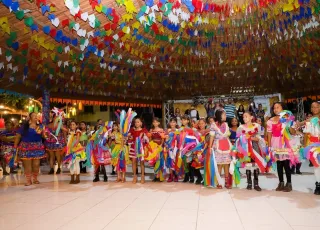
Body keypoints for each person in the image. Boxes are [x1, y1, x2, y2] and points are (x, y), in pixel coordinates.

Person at [267, 102, 299, 192]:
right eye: (274, 108)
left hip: (285, 143)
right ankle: (281, 182)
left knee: (286, 163)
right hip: (275, 144)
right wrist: (269, 147)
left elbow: (293, 132)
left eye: (278, 107)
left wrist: (289, 123)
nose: (276, 109)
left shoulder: (288, 118)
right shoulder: (270, 121)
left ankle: (289, 183)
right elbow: (269, 134)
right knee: (279, 164)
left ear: (283, 108)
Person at [236, 112, 267, 191]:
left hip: (255, 147)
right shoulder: (241, 127)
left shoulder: (256, 126)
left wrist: (250, 138)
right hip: (246, 149)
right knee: (248, 165)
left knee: (256, 164)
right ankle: (249, 183)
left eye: (246, 116)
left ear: (251, 117)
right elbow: (239, 139)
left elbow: (259, 138)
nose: (244, 118)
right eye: (243, 117)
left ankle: (256, 183)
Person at [14, 112, 46, 186]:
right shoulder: (24, 126)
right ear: (30, 117)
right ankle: (28, 180)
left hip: (37, 147)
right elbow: (18, 136)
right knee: (27, 165)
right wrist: (15, 146)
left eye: (36, 116)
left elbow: (44, 137)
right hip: (26, 147)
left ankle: (35, 178)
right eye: (33, 116)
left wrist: (45, 134)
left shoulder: (40, 126)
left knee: (36, 164)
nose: (35, 117)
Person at [209, 109, 232, 189]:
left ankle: (226, 182)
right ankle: (219, 182)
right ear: (219, 115)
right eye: (224, 115)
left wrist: (231, 146)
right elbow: (211, 137)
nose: (225, 116)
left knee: (226, 164)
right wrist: (210, 147)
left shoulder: (226, 124)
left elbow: (228, 136)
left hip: (226, 146)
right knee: (219, 164)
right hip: (217, 146)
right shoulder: (213, 125)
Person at [302, 102, 320, 195]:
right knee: (317, 166)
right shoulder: (309, 121)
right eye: (313, 107)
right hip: (314, 145)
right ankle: (318, 185)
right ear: (311, 109)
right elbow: (306, 134)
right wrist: (305, 146)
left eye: (317, 106)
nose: (315, 108)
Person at [45, 109, 67, 175]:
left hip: (51, 141)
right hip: (57, 141)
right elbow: (65, 131)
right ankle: (57, 168)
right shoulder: (59, 125)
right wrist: (65, 140)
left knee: (54, 156)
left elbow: (46, 133)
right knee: (56, 156)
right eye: (57, 117)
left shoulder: (49, 125)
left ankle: (53, 168)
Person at [128, 118, 148, 184]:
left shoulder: (144, 130)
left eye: (138, 122)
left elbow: (147, 140)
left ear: (141, 123)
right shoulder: (132, 130)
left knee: (141, 163)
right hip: (134, 148)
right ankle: (135, 176)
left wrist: (143, 136)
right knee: (134, 162)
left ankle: (142, 176)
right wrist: (127, 136)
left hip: (141, 148)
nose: (136, 123)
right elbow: (129, 137)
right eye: (135, 122)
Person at [145, 118, 165, 182]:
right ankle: (156, 176)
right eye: (154, 122)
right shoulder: (151, 130)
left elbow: (163, 139)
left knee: (159, 161)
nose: (155, 123)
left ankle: (160, 177)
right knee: (154, 162)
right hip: (153, 148)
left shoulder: (161, 130)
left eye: (156, 122)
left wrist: (160, 146)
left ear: (159, 123)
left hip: (159, 147)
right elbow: (150, 139)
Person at [165, 118, 179, 182]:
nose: (172, 123)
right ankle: (171, 175)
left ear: (176, 123)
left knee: (175, 162)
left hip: (176, 149)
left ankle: (176, 175)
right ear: (169, 123)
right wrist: (166, 145)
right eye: (171, 122)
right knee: (170, 162)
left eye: (174, 122)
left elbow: (180, 140)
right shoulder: (167, 131)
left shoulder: (178, 130)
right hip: (169, 148)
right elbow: (165, 140)